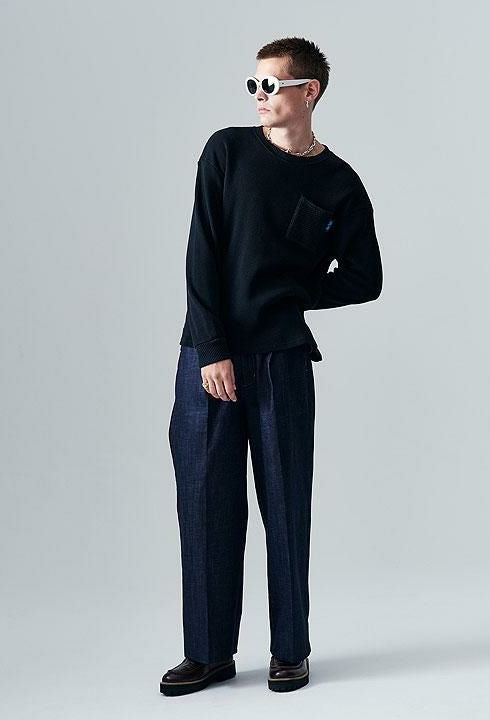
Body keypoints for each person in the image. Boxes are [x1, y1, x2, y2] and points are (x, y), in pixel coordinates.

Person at [160, 36, 383, 696]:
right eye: (253, 85)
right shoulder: (226, 152)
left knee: (286, 505)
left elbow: (366, 277)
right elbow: (201, 253)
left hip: (281, 358)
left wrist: (292, 292)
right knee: (205, 503)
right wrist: (212, 349)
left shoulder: (339, 183)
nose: (258, 96)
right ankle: (208, 653)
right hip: (208, 357)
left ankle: (290, 649)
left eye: (270, 85)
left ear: (308, 92)